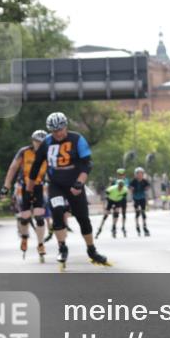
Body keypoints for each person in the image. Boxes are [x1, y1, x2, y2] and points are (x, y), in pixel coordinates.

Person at [28, 112, 109, 268]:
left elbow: (87, 164)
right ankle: (62, 247)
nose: (58, 134)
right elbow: (36, 166)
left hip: (74, 184)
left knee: (83, 218)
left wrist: (79, 183)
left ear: (66, 126)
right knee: (57, 210)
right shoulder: (46, 143)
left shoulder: (77, 139)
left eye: (61, 129)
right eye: (54, 131)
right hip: (55, 184)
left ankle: (92, 250)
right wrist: (30, 189)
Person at [1, 130, 50, 261]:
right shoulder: (24, 152)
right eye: (36, 141)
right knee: (25, 217)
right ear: (32, 141)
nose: (39, 144)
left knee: (40, 217)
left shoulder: (49, 153)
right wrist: (6, 186)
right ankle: (24, 236)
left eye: (42, 142)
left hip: (40, 185)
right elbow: (13, 168)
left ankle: (40, 244)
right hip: (23, 186)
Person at [128, 167, 153, 236]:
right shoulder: (134, 181)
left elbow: (148, 186)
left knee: (143, 213)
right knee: (137, 213)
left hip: (142, 198)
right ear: (136, 174)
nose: (140, 175)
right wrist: (131, 188)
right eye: (138, 174)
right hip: (136, 198)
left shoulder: (144, 181)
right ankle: (137, 226)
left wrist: (146, 188)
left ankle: (145, 227)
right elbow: (129, 186)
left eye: (141, 174)